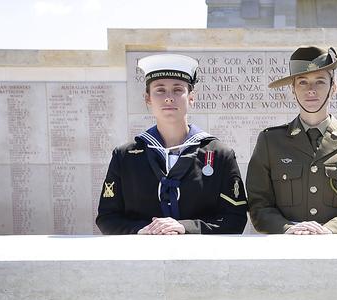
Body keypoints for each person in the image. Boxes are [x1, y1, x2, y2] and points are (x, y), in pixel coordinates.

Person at [96, 54, 247, 235]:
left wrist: (186, 227)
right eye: (160, 90)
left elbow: (235, 218)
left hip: (200, 256)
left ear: (191, 97)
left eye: (177, 90)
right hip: (141, 256)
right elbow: (107, 217)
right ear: (147, 99)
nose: (168, 98)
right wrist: (145, 230)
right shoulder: (125, 156)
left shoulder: (219, 154)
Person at [246, 46, 337, 234]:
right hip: (285, 248)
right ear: (292, 89)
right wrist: (288, 229)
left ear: (333, 88)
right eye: (302, 82)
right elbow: (258, 204)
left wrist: (330, 230)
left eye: (319, 81)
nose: (311, 90)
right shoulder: (270, 142)